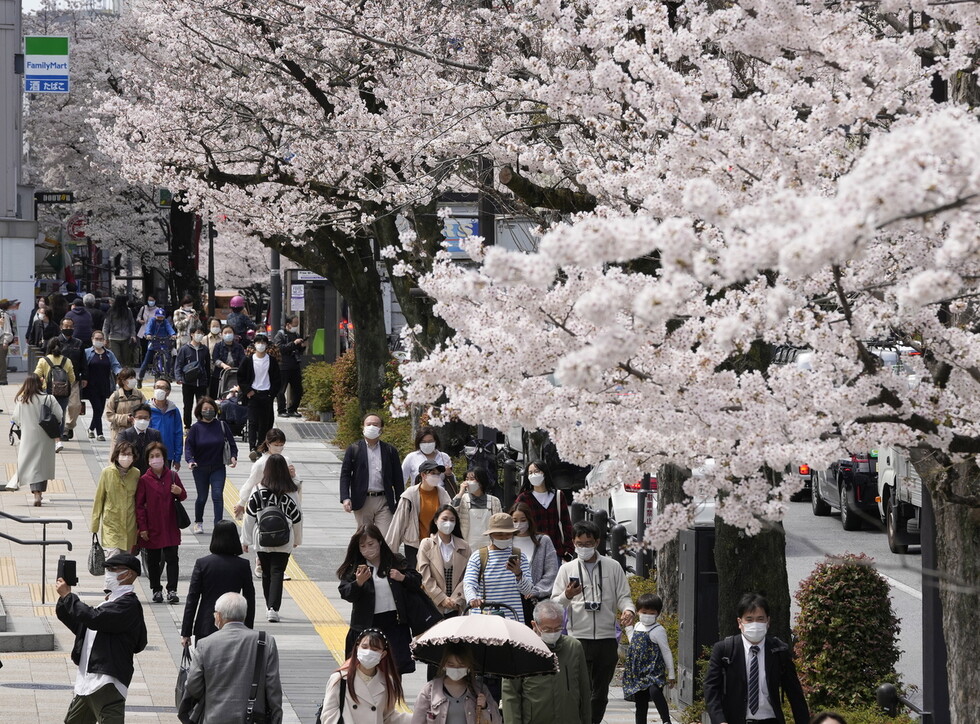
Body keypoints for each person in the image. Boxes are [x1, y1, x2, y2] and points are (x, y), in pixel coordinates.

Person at [552, 520, 636, 724]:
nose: (584, 548)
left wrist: (628, 610)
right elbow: (555, 604)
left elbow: (624, 596)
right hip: (577, 638)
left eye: (588, 543)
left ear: (597, 542)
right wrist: (567, 595)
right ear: (573, 543)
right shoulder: (567, 569)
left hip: (606, 638)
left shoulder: (613, 566)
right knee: (580, 689)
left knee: (600, 692)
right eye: (579, 544)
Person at [55, 552, 148, 724]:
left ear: (128, 574)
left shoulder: (128, 605)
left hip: (107, 682)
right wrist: (64, 601)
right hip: (88, 680)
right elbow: (83, 624)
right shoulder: (110, 602)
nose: (108, 574)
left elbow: (93, 618)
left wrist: (69, 597)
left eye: (113, 569)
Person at [703, 593, 809, 724]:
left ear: (768, 622)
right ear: (739, 622)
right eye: (749, 619)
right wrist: (720, 720)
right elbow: (711, 688)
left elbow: (795, 693)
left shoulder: (778, 651)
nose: (755, 624)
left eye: (760, 619)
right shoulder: (724, 650)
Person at [182, 592, 283, 723]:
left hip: (214, 718)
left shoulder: (205, 644)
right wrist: (276, 718)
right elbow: (273, 688)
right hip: (252, 718)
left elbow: (193, 685)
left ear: (218, 616)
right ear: (244, 615)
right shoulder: (265, 642)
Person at [337, 525, 419, 673]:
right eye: (362, 546)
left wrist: (403, 578)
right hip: (366, 625)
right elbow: (345, 593)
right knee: (365, 669)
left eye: (371, 544)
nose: (367, 549)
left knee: (394, 670)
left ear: (380, 542)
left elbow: (417, 581)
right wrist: (359, 583)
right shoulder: (356, 568)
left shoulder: (396, 561)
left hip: (395, 625)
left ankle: (392, 696)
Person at [502, 599, 590, 724]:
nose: (553, 633)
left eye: (558, 628)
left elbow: (584, 690)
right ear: (534, 625)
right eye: (547, 629)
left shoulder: (574, 647)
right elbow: (510, 696)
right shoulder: (519, 651)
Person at [241, 455, 302, 622]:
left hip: (262, 539)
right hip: (284, 539)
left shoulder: (258, 489)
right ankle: (273, 608)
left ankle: (269, 606)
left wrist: (245, 540)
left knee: (266, 573)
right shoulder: (291, 491)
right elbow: (297, 516)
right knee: (278, 572)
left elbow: (249, 516)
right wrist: (297, 538)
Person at [181, 521, 256, 646]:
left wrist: (186, 632)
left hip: (206, 625)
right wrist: (248, 628)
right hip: (234, 626)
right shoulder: (243, 565)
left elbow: (192, 599)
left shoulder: (203, 564)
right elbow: (250, 599)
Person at [319, 628, 408, 724]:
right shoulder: (341, 679)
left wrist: (418, 717)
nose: (368, 652)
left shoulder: (387, 682)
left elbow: (387, 717)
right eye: (364, 647)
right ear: (357, 648)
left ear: (383, 654)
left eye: (375, 649)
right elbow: (329, 714)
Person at [136, 442, 188, 604]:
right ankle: (156, 589)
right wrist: (142, 528)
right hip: (153, 527)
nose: (155, 459)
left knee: (172, 558)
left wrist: (180, 492)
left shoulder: (172, 476)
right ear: (147, 460)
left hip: (170, 525)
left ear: (164, 458)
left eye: (158, 455)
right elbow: (139, 506)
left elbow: (183, 496)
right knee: (153, 560)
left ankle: (172, 589)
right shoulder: (144, 480)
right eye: (152, 456)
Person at [339, 413, 404, 536]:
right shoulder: (354, 449)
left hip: (384, 500)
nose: (372, 427)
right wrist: (345, 497)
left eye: (375, 424)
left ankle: (382, 556)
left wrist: (400, 500)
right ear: (363, 427)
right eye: (368, 424)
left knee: (386, 539)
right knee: (365, 538)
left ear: (381, 429)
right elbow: (345, 475)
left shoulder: (390, 450)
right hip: (363, 500)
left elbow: (398, 478)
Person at [462, 512, 532, 623]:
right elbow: (469, 583)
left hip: (513, 619)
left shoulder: (520, 556)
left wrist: (518, 574)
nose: (504, 538)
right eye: (499, 535)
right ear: (491, 535)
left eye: (508, 534)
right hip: (483, 618)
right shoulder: (478, 556)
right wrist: (472, 599)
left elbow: (528, 591)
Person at [385, 459, 453, 569]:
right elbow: (398, 523)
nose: (436, 476)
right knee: (416, 578)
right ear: (423, 475)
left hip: (437, 544)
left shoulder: (442, 494)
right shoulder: (410, 495)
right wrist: (389, 552)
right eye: (432, 473)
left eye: (438, 474)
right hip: (414, 545)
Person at [411, 643, 503, 724]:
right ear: (444, 665)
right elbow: (417, 720)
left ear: (469, 667)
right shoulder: (429, 691)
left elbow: (496, 721)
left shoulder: (480, 690)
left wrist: (485, 707)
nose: (456, 669)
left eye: (461, 665)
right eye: (451, 665)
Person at [185, 396, 238, 534]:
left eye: (211, 409)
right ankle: (198, 522)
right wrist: (190, 460)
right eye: (205, 409)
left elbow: (232, 444)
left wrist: (233, 457)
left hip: (218, 467)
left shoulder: (221, 425)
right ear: (199, 411)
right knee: (202, 497)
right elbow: (189, 447)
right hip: (200, 468)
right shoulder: (196, 428)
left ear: (215, 410)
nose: (208, 411)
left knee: (217, 496)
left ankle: (218, 525)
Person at [10, 373, 62, 505]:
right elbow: (59, 415)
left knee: (31, 464)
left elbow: (15, 418)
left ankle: (36, 493)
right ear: (40, 384)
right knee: (41, 466)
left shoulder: (22, 401)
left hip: (28, 437)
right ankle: (39, 493)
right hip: (45, 436)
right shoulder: (48, 399)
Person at [623, 593, 675, 724]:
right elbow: (633, 642)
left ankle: (666, 720)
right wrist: (628, 627)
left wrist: (671, 674)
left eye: (651, 613)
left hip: (653, 670)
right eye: (644, 612)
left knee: (655, 691)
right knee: (640, 704)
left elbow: (666, 652)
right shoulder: (637, 626)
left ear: (657, 613)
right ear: (638, 611)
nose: (647, 615)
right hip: (638, 672)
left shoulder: (659, 630)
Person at [417, 505, 471, 616]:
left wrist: (456, 599)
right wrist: (442, 598)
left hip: (458, 606)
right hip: (433, 605)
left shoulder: (464, 546)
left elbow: (469, 576)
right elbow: (424, 576)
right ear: (436, 520)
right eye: (444, 519)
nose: (448, 523)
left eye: (452, 520)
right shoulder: (426, 544)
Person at [510, 502, 559, 625]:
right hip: (511, 599)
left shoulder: (543, 541)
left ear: (529, 520)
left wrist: (536, 590)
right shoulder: (506, 542)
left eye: (523, 520)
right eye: (514, 520)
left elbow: (551, 572)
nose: (519, 524)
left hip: (536, 601)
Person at [514, 460, 574, 561]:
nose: (533, 475)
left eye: (537, 471)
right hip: (532, 550)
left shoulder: (558, 496)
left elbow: (566, 523)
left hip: (555, 551)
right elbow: (516, 522)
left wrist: (569, 548)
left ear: (544, 473)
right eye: (530, 473)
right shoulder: (524, 498)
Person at [92, 441, 141, 558]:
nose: (126, 457)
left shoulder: (136, 474)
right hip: (112, 524)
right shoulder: (107, 473)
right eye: (123, 454)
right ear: (117, 455)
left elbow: (139, 500)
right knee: (113, 558)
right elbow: (99, 499)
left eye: (129, 454)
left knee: (126, 562)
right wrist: (95, 524)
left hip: (129, 525)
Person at [237, 332, 280, 460]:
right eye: (258, 342)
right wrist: (248, 391)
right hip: (253, 394)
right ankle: (252, 447)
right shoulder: (248, 360)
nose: (260, 345)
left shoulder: (271, 361)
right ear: (254, 344)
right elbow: (241, 377)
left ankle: (261, 447)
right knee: (252, 422)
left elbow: (277, 379)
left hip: (266, 395)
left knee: (265, 423)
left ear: (267, 345)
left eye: (263, 343)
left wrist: (272, 394)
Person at [35, 336, 76, 452]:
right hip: (63, 393)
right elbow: (72, 378)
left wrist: (43, 380)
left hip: (47, 392)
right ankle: (58, 440)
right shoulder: (67, 361)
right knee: (60, 415)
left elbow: (36, 375)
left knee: (46, 415)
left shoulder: (44, 360)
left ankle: (48, 440)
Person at [53, 317, 88, 442]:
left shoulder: (78, 343)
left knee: (75, 405)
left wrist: (84, 377)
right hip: (57, 379)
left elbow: (83, 361)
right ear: (61, 327)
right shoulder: (55, 341)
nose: (68, 329)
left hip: (74, 379)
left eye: (71, 326)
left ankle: (68, 427)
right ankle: (62, 431)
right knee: (59, 406)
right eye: (66, 326)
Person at [452, 467, 502, 551]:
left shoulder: (494, 501)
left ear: (481, 482)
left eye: (472, 479)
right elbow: (451, 511)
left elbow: (500, 523)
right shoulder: (462, 499)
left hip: (489, 546)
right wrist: (460, 493)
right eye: (466, 479)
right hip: (467, 545)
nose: (468, 482)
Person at [84, 330, 122, 441]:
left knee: (99, 410)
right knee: (98, 408)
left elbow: (116, 366)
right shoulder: (87, 352)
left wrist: (120, 374)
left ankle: (91, 429)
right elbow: (83, 366)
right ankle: (99, 433)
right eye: (97, 339)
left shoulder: (109, 354)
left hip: (105, 385)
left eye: (101, 339)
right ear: (92, 339)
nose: (99, 341)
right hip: (91, 385)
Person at [175, 323, 212, 428]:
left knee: (201, 405)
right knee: (188, 405)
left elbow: (207, 366)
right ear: (192, 334)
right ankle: (187, 425)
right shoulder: (184, 349)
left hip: (201, 382)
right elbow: (179, 364)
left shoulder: (204, 349)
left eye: (202, 333)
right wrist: (179, 377)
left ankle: (202, 423)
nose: (199, 335)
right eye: (198, 333)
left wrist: (207, 380)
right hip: (188, 382)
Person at [401, 426, 454, 491]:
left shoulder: (444, 457)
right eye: (423, 442)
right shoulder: (411, 457)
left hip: (440, 496)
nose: (427, 444)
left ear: (435, 441)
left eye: (430, 441)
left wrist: (449, 474)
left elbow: (452, 481)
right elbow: (401, 479)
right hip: (418, 496)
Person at [104, 367, 146, 448]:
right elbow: (109, 415)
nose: (133, 380)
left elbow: (146, 410)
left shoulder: (139, 395)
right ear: (123, 381)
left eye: (134, 377)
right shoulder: (115, 396)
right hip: (119, 432)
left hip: (136, 431)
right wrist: (125, 418)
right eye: (130, 378)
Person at [274, 315, 306, 417]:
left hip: (295, 365)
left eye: (297, 324)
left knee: (298, 389)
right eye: (294, 324)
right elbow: (280, 349)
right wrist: (293, 343)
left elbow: (298, 351)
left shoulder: (296, 334)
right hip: (283, 366)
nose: (296, 326)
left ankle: (293, 409)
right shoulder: (281, 335)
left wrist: (302, 346)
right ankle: (281, 410)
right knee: (281, 389)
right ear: (288, 324)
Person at [117, 404, 162, 474]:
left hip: (150, 475)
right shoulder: (124, 435)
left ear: (150, 418)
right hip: (130, 474)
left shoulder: (155, 434)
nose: (143, 420)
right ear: (133, 418)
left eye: (146, 418)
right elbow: (119, 456)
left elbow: (162, 455)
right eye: (140, 418)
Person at [149, 379, 182, 470]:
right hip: (149, 454)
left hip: (167, 454)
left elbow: (178, 434)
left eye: (163, 388)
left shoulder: (174, 410)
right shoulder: (147, 409)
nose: (159, 390)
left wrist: (177, 458)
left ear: (168, 392)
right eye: (157, 387)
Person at [137, 308, 176, 385]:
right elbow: (148, 328)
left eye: (161, 317)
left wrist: (173, 334)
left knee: (168, 357)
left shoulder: (165, 322)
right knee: (146, 361)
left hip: (164, 342)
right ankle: (140, 378)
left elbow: (169, 328)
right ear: (155, 316)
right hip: (154, 342)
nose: (160, 318)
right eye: (158, 317)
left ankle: (168, 374)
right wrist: (148, 334)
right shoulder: (152, 321)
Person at [210, 323, 246, 399]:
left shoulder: (239, 347)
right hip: (220, 374)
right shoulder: (218, 346)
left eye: (230, 332)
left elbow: (243, 360)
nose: (228, 334)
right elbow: (215, 359)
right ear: (222, 334)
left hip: (235, 374)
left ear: (233, 334)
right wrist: (223, 365)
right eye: (225, 333)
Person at [103, 295, 138, 367]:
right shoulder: (112, 311)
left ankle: (125, 375)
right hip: (114, 338)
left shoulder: (128, 311)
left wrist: (133, 335)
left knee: (126, 359)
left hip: (125, 338)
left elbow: (132, 323)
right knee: (116, 358)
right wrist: (105, 338)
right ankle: (117, 375)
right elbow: (106, 326)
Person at [134, 293, 158, 363]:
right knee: (144, 348)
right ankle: (144, 363)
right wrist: (139, 320)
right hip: (143, 331)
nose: (150, 302)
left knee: (152, 349)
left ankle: (151, 363)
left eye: (152, 300)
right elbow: (138, 317)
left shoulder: (157, 310)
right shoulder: (143, 308)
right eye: (149, 300)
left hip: (153, 332)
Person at [0, 298, 15, 384]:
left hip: (2, 342)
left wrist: (6, 341)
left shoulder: (3, 315)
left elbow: (7, 329)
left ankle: (2, 379)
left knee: (1, 362)